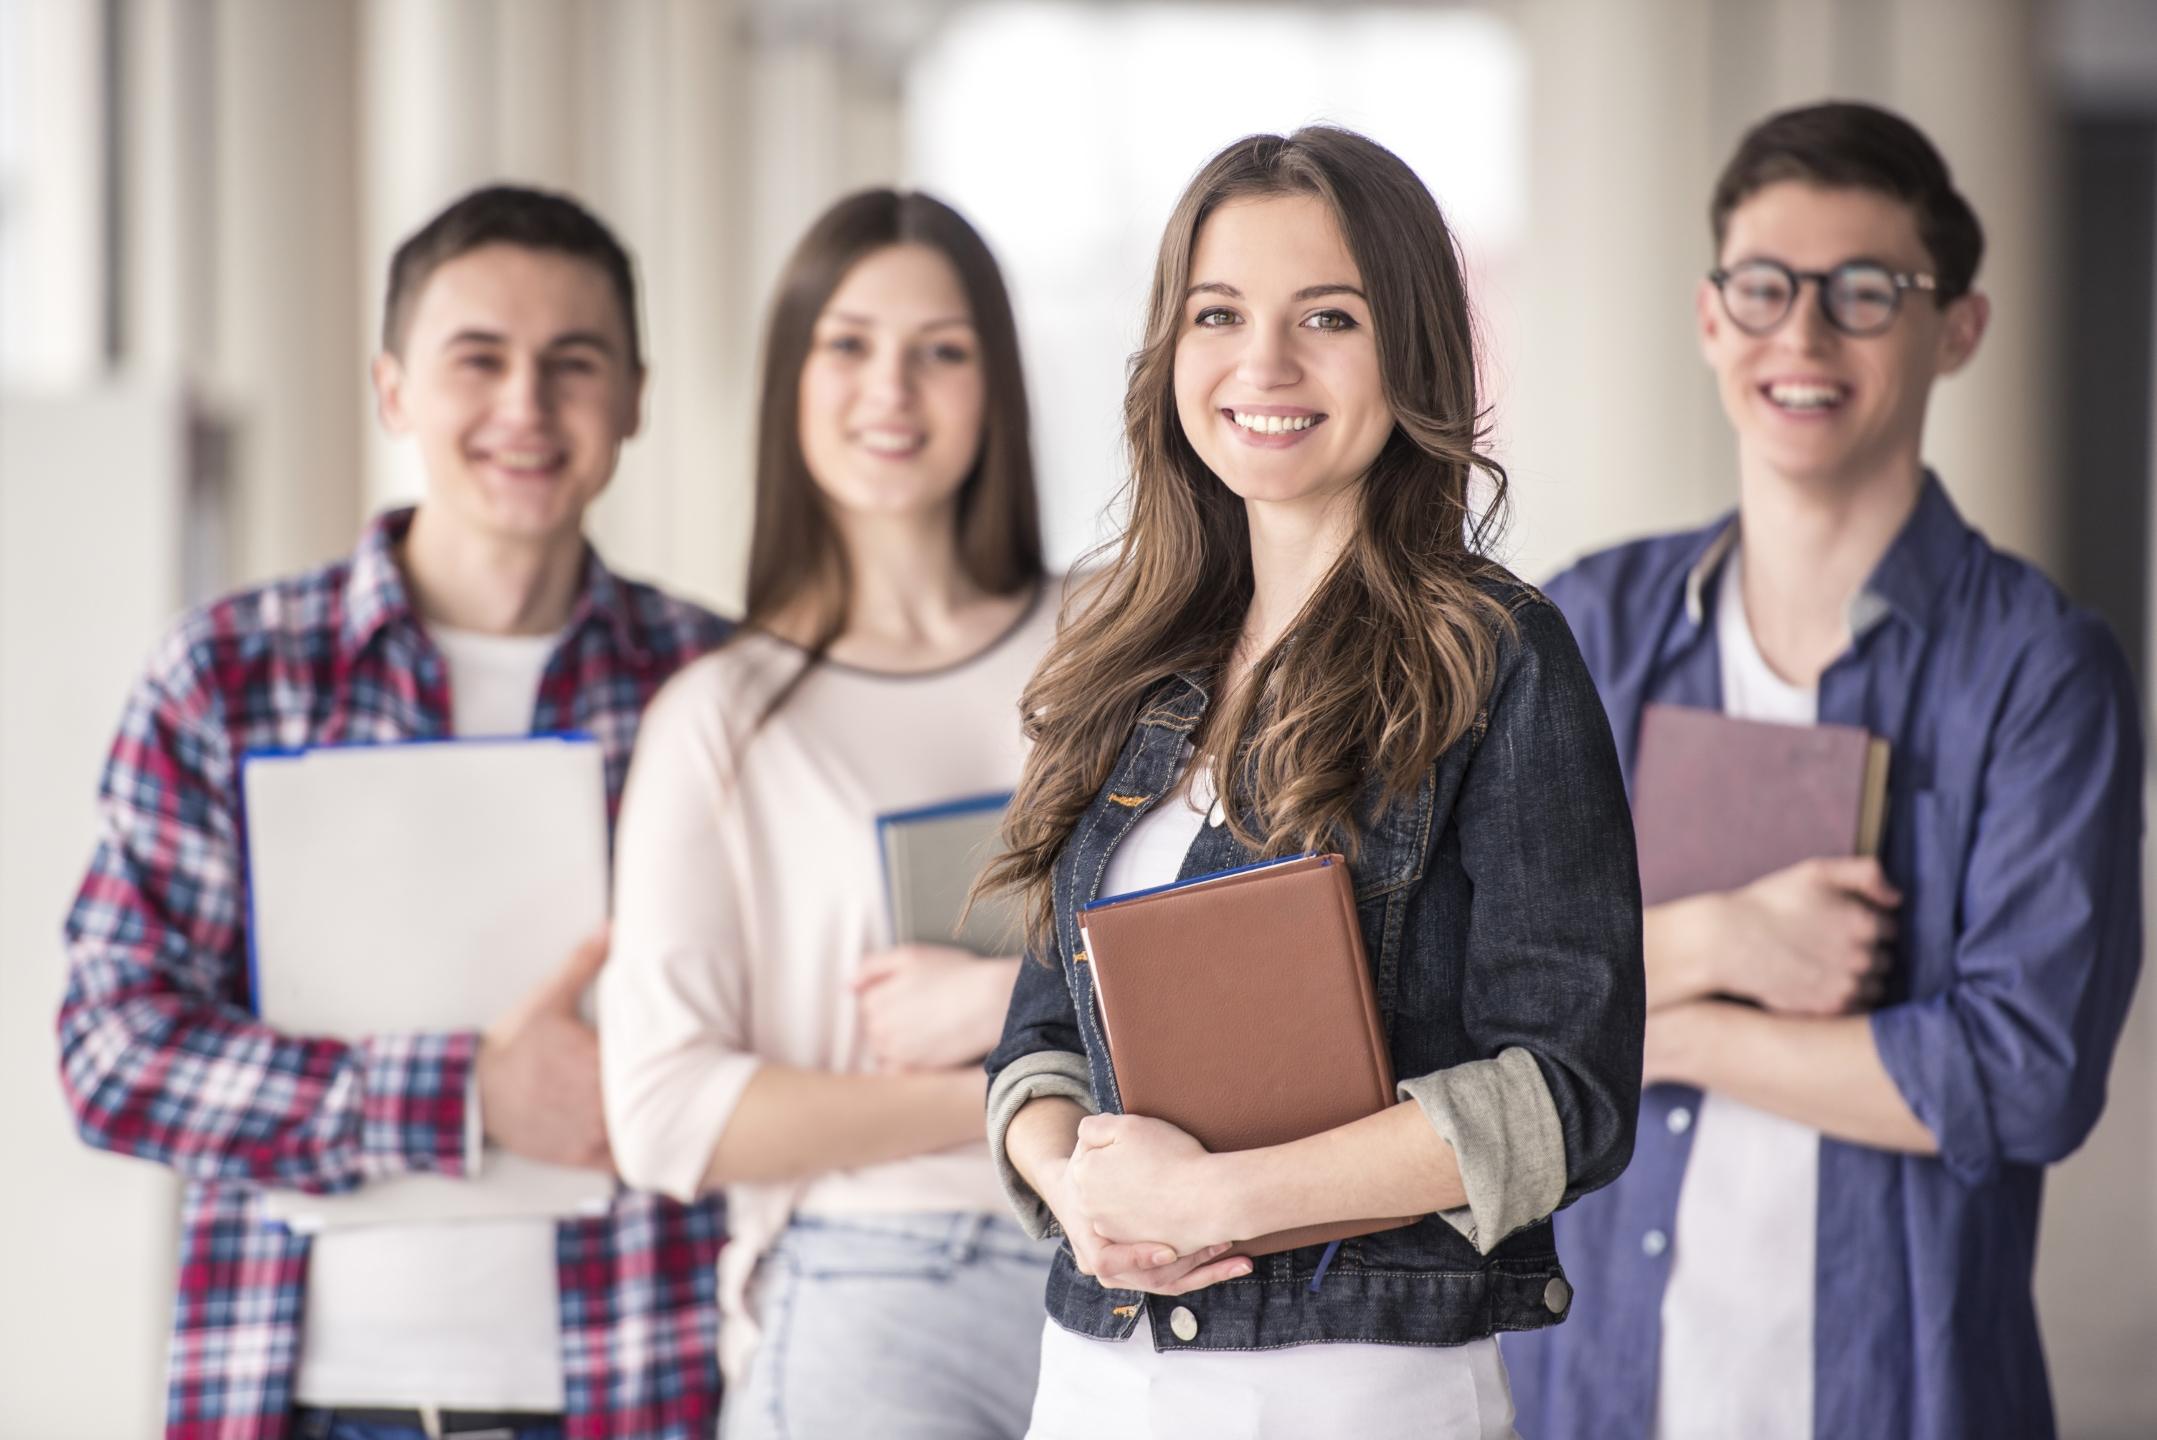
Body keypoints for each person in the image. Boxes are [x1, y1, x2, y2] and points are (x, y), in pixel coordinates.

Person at [979, 126, 1645, 1440]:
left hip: (1355, 1386)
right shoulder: (1128, 660)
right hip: (1098, 1377)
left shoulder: (1494, 654)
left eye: (1325, 316)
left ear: (1410, 348)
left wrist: (1213, 1203)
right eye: (1217, 314)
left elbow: (1567, 1094)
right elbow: (1041, 1037)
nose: (1263, 364)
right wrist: (1081, 1193)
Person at [1503, 101, 2145, 1440]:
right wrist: (1717, 940)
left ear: (1954, 329)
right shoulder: (1587, 628)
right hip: (1595, 1392)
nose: (1801, 334)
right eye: (1763, 287)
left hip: (1895, 1394)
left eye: (1865, 292)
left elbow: (2020, 1076)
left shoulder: (2038, 670)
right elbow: (1471, 981)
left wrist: (1657, 1031)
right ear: (1709, 319)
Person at [57, 185, 728, 1440]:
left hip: (641, 1390)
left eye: (572, 362)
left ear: (634, 395)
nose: (525, 406)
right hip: (304, 1399)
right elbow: (111, 1053)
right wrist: (465, 1093)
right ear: (393, 390)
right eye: (478, 359)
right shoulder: (230, 674)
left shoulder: (719, 688)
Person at [598, 189, 1058, 1439]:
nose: (891, 390)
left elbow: (1228, 940)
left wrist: (1010, 1023)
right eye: (848, 344)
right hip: (879, 1282)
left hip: (1139, 1271)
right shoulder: (721, 717)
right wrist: (1031, 1081)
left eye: (942, 350)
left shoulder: (1114, 643)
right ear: (791, 376)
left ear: (997, 386)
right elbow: (665, 1111)